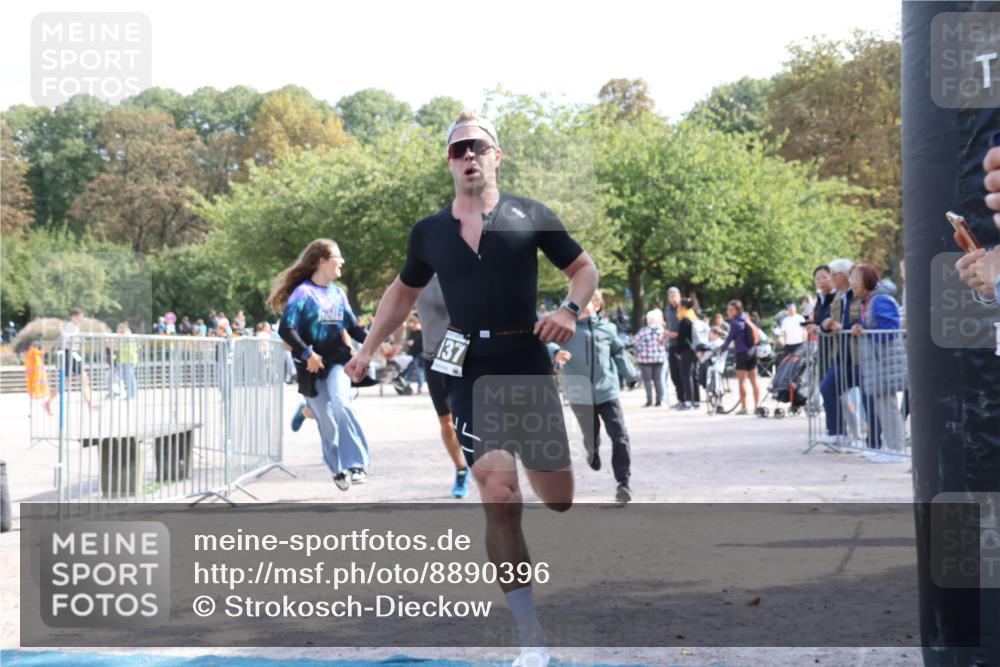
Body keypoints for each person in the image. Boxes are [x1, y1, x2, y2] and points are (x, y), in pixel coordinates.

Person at [344, 111, 598, 667]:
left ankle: (534, 463)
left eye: (478, 147)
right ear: (449, 162)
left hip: (525, 361)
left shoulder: (531, 215)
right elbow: (400, 294)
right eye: (459, 150)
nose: (469, 157)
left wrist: (570, 310)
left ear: (496, 155)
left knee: (557, 500)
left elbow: (584, 269)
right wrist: (365, 349)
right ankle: (530, 635)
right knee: (500, 497)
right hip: (468, 368)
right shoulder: (430, 232)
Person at [270, 239, 370, 491]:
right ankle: (337, 468)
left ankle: (356, 464)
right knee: (326, 422)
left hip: (338, 361)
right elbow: (286, 328)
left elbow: (353, 328)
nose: (343, 262)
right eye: (338, 257)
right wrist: (307, 354)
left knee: (341, 403)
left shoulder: (338, 293)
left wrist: (375, 343)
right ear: (322, 261)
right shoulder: (303, 293)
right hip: (311, 369)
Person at [550, 290, 637, 503]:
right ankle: (592, 451)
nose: (579, 306)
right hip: (580, 395)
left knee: (620, 435)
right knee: (591, 436)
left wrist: (630, 374)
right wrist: (554, 352)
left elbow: (617, 352)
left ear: (597, 305)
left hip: (607, 391)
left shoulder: (608, 329)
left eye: (585, 302)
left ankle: (623, 483)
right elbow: (545, 341)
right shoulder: (564, 329)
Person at [414, 274, 471, 499]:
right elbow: (397, 305)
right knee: (446, 421)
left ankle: (484, 465)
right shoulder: (416, 274)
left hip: (462, 350)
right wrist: (394, 344)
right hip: (432, 356)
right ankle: (460, 469)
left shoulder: (463, 269)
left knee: (467, 415)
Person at [850, 264, 906, 462]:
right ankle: (890, 447)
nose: (852, 283)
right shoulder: (868, 300)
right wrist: (863, 327)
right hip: (877, 361)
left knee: (888, 405)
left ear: (868, 280)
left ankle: (896, 449)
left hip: (884, 360)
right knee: (882, 405)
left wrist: (866, 331)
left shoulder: (880, 299)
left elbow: (890, 328)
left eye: (856, 279)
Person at [45, 308, 97, 414]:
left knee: (70, 381)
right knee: (82, 379)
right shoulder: (70, 326)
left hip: (71, 353)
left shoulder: (72, 326)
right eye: (80, 316)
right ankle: (90, 404)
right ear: (74, 316)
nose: (82, 319)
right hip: (69, 353)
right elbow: (64, 338)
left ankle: (48, 402)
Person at [719, 299, 762, 415]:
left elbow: (729, 339)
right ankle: (757, 406)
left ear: (737, 310)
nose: (729, 312)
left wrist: (721, 349)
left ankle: (744, 407)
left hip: (741, 354)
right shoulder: (747, 319)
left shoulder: (735, 323)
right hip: (753, 352)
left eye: (731, 310)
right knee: (754, 381)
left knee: (742, 382)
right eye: (728, 310)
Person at [634, 309, 667, 407]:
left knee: (647, 380)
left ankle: (649, 401)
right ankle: (659, 400)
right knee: (658, 380)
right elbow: (665, 342)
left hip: (645, 359)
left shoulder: (643, 331)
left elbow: (636, 341)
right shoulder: (661, 331)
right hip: (659, 358)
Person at [675, 298, 701, 410]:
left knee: (687, 375)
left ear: (684, 307)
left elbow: (682, 338)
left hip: (686, 351)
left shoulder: (684, 319)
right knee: (695, 375)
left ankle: (689, 401)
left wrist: (678, 351)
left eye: (679, 306)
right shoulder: (694, 317)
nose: (678, 308)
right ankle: (696, 400)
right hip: (696, 349)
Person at [663, 287, 684, 406]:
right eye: (671, 296)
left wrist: (674, 334)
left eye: (675, 296)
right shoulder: (667, 309)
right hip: (671, 345)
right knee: (674, 374)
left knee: (682, 373)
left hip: (681, 345)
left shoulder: (683, 309)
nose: (673, 299)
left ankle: (686, 398)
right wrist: (665, 334)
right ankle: (680, 398)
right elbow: (668, 325)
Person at [399, 312, 426, 394]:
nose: (412, 326)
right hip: (412, 354)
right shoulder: (412, 332)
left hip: (419, 354)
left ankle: (420, 387)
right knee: (409, 370)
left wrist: (414, 343)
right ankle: (405, 383)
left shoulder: (422, 332)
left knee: (419, 371)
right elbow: (409, 341)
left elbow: (423, 344)